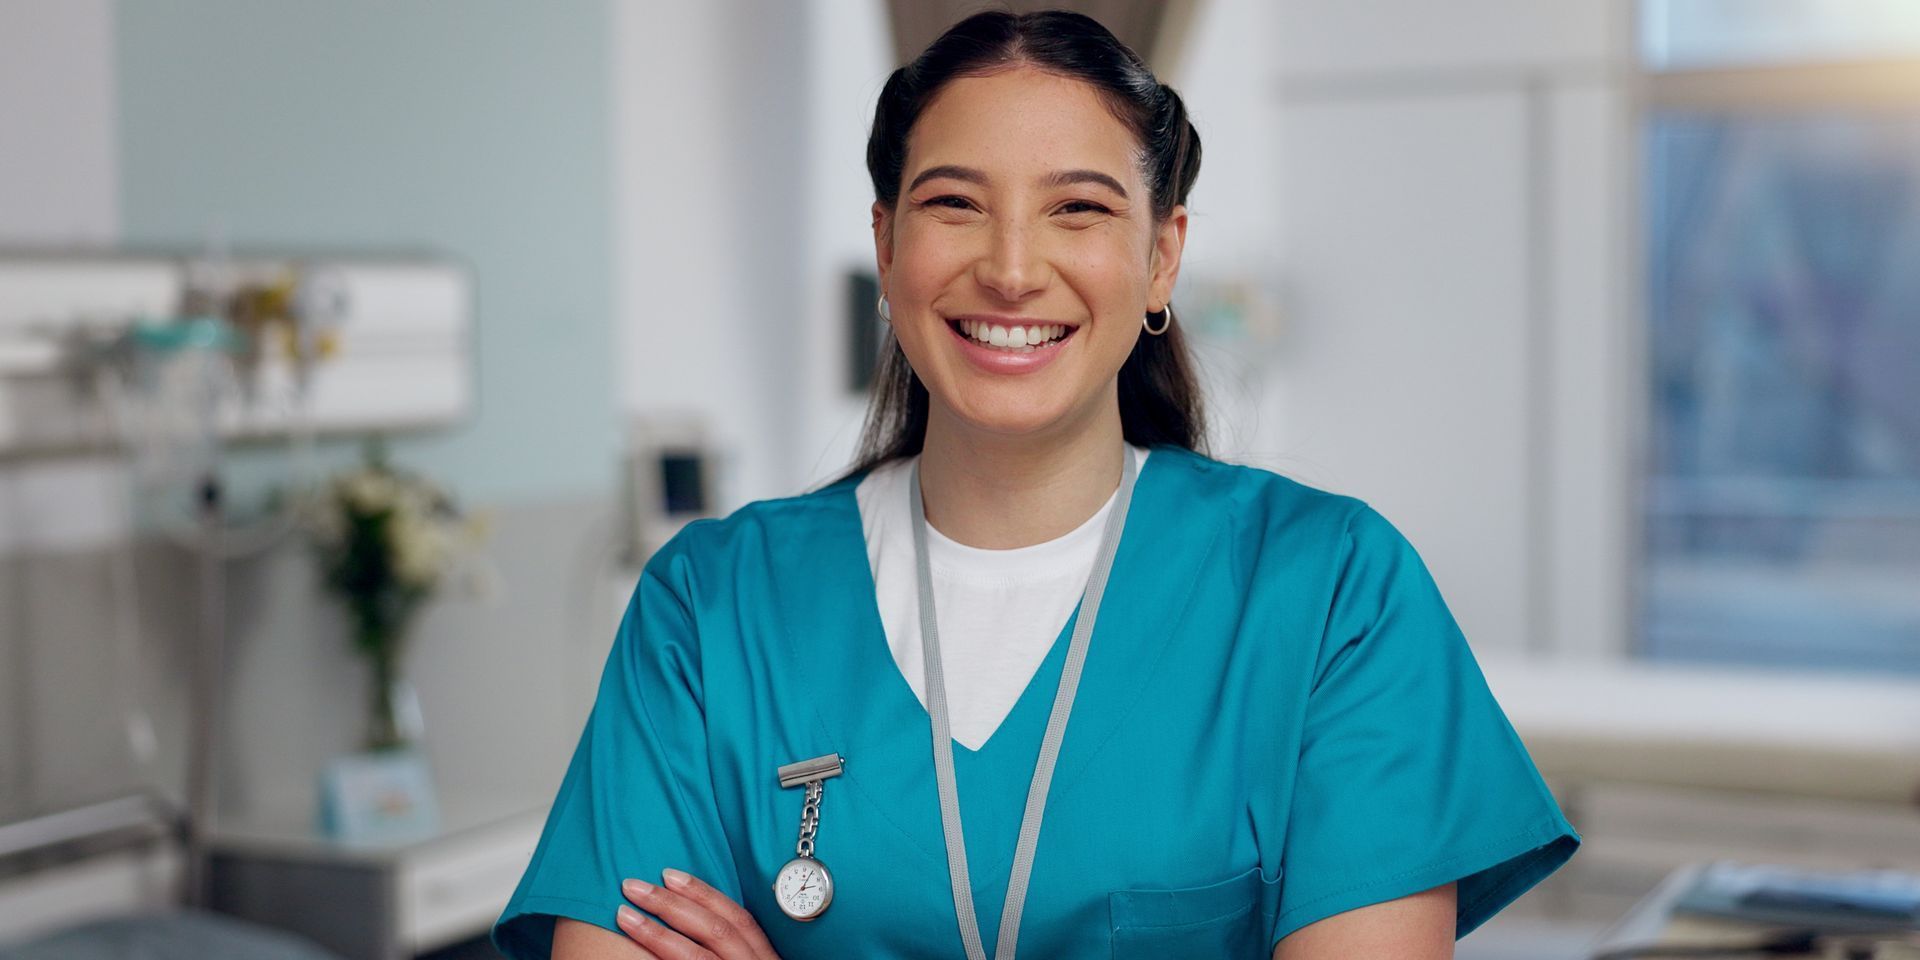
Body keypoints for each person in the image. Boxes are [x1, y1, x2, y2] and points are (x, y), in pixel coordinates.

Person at [493, 10, 1578, 960]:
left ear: (1162, 257)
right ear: (887, 243)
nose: (1012, 268)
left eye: (1079, 210)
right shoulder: (712, 608)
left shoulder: (1333, 592)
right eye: (956, 203)